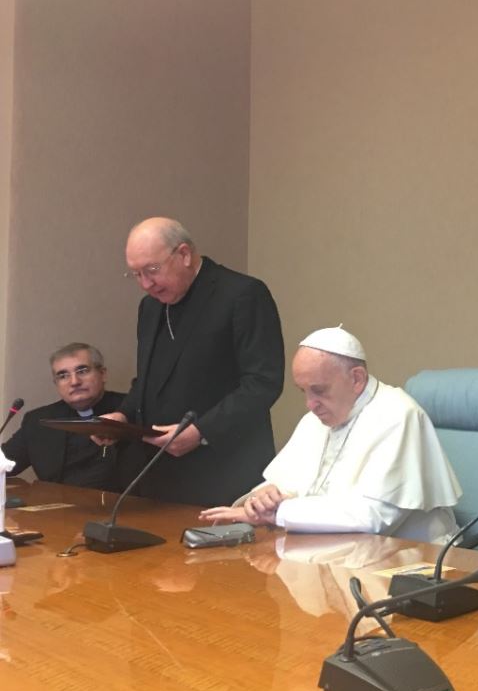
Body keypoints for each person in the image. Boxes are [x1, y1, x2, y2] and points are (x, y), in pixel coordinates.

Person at [200, 326, 462, 540]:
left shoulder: (398, 415)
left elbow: (374, 517)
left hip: (409, 560)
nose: (310, 404)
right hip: (336, 553)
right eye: (303, 391)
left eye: (319, 390)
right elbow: (284, 483)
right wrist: (264, 497)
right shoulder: (316, 419)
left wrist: (279, 513)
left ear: (357, 379)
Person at [99, 217, 284, 506]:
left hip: (224, 471)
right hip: (158, 473)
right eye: (136, 274)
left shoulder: (242, 294)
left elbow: (263, 383)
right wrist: (122, 418)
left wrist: (202, 431)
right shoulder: (150, 307)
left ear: (184, 254)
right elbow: (148, 380)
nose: (146, 284)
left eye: (152, 270)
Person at [1, 343, 125, 489]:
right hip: (55, 502)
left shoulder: (129, 411)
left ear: (103, 374)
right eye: (63, 376)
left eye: (82, 371)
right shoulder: (38, 420)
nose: (74, 382)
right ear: (56, 383)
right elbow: (4, 463)